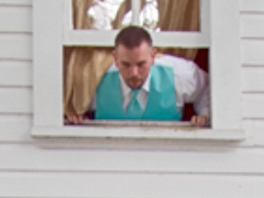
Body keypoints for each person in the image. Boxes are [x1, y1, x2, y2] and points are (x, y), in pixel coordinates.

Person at [79, 25, 210, 126]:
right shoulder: (96, 78)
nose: (134, 73)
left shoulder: (179, 74)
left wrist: (205, 113)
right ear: (115, 59)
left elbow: (207, 86)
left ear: (153, 57)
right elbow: (71, 100)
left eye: (141, 64)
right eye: (126, 64)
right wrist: (75, 113)